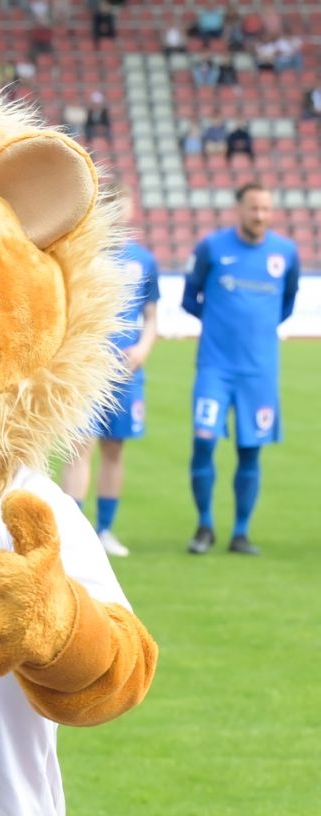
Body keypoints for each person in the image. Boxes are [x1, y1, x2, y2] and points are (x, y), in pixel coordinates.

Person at [182, 183, 301, 554]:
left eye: (266, 209)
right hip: (215, 368)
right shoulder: (212, 247)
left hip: (259, 372)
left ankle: (241, 533)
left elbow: (287, 304)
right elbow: (190, 298)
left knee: (251, 451)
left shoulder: (285, 252)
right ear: (239, 209)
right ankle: (204, 526)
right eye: (254, 208)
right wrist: (220, 326)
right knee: (204, 440)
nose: (260, 215)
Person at [61, 230, 158, 557]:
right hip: (87, 371)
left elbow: (151, 317)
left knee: (114, 450)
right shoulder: (81, 250)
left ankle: (104, 530)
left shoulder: (143, 259)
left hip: (126, 373)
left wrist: (143, 349)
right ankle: (70, 534)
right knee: (79, 448)